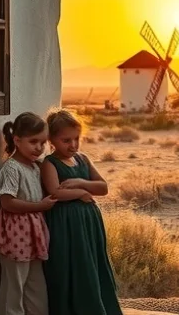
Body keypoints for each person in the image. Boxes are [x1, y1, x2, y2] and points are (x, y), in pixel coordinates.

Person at [40, 109, 123, 315]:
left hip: (89, 223)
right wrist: (80, 193)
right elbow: (55, 192)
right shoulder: (50, 163)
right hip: (65, 225)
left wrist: (81, 183)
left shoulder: (83, 159)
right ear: (51, 139)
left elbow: (103, 188)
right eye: (66, 140)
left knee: (92, 263)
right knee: (73, 265)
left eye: (77, 139)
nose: (73, 145)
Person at [0, 112, 57, 315]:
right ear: (17, 140)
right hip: (15, 236)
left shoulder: (36, 167)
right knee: (15, 289)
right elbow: (7, 202)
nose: (39, 147)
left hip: (33, 237)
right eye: (33, 141)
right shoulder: (11, 168)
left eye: (43, 142)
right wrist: (40, 206)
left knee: (36, 289)